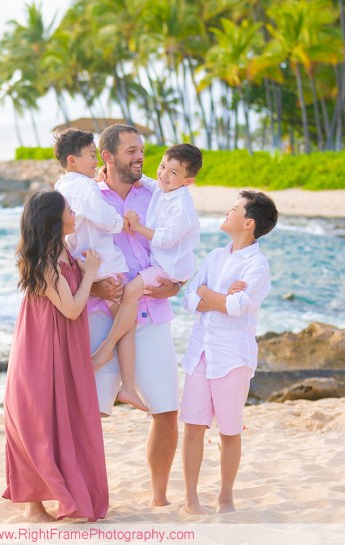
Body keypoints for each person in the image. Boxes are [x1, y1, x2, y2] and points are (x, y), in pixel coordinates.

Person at [87, 124, 182, 507]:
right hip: (97, 314)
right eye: (130, 150)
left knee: (167, 410)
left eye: (141, 149)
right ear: (107, 157)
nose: (140, 156)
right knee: (89, 413)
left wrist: (176, 284)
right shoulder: (87, 195)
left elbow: (178, 244)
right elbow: (68, 251)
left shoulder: (159, 195)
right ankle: (88, 494)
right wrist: (92, 287)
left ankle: (159, 497)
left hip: (152, 312)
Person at [2, 190, 109, 522]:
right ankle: (32, 507)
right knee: (38, 420)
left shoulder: (63, 250)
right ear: (53, 219)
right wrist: (91, 271)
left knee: (64, 417)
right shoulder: (46, 263)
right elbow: (73, 309)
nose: (74, 212)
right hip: (40, 348)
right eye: (68, 209)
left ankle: (67, 495)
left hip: (61, 346)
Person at [179, 190, 278, 515]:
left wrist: (207, 293)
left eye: (233, 209)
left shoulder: (258, 266)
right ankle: (191, 499)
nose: (227, 211)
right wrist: (214, 296)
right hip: (199, 353)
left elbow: (235, 307)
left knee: (230, 430)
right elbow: (187, 299)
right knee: (193, 427)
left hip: (233, 357)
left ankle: (225, 498)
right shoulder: (215, 257)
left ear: (248, 223)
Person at [52, 128, 146, 411]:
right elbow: (101, 216)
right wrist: (121, 222)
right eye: (91, 156)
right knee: (127, 320)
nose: (96, 162)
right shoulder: (85, 187)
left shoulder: (62, 186)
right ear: (72, 160)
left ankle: (122, 382)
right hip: (103, 259)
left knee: (123, 315)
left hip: (82, 257)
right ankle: (126, 384)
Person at [91, 144, 201, 378]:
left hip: (167, 267)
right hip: (160, 263)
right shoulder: (164, 187)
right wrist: (105, 172)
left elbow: (166, 239)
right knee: (128, 294)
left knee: (130, 292)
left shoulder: (182, 206)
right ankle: (115, 350)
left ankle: (107, 348)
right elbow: (151, 182)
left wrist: (138, 226)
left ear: (188, 181)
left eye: (173, 173)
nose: (164, 175)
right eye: (162, 167)